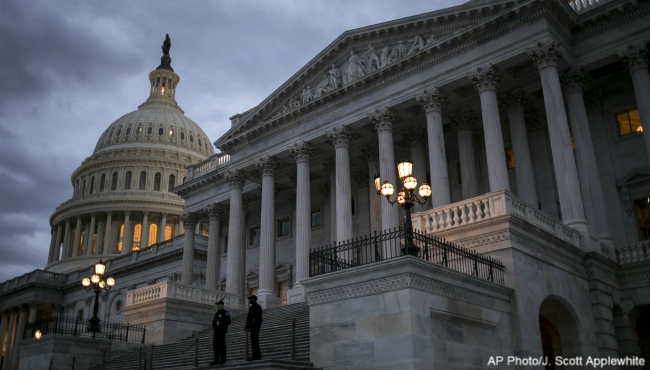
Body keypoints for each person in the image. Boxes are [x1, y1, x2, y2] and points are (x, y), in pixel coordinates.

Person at [209, 300, 231, 366]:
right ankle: (216, 360)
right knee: (215, 346)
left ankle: (223, 360)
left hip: (222, 331)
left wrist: (221, 323)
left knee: (222, 346)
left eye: (218, 304)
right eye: (217, 304)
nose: (217, 305)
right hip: (216, 332)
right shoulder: (217, 313)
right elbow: (214, 322)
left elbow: (229, 321)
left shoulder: (225, 312)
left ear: (222, 305)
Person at [244, 295, 263, 361]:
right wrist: (247, 327)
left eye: (250, 299)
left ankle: (257, 355)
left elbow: (258, 318)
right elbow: (249, 318)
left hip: (256, 327)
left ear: (254, 299)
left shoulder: (258, 307)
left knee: (255, 341)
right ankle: (255, 355)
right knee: (253, 341)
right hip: (252, 327)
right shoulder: (251, 307)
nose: (249, 300)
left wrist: (255, 325)